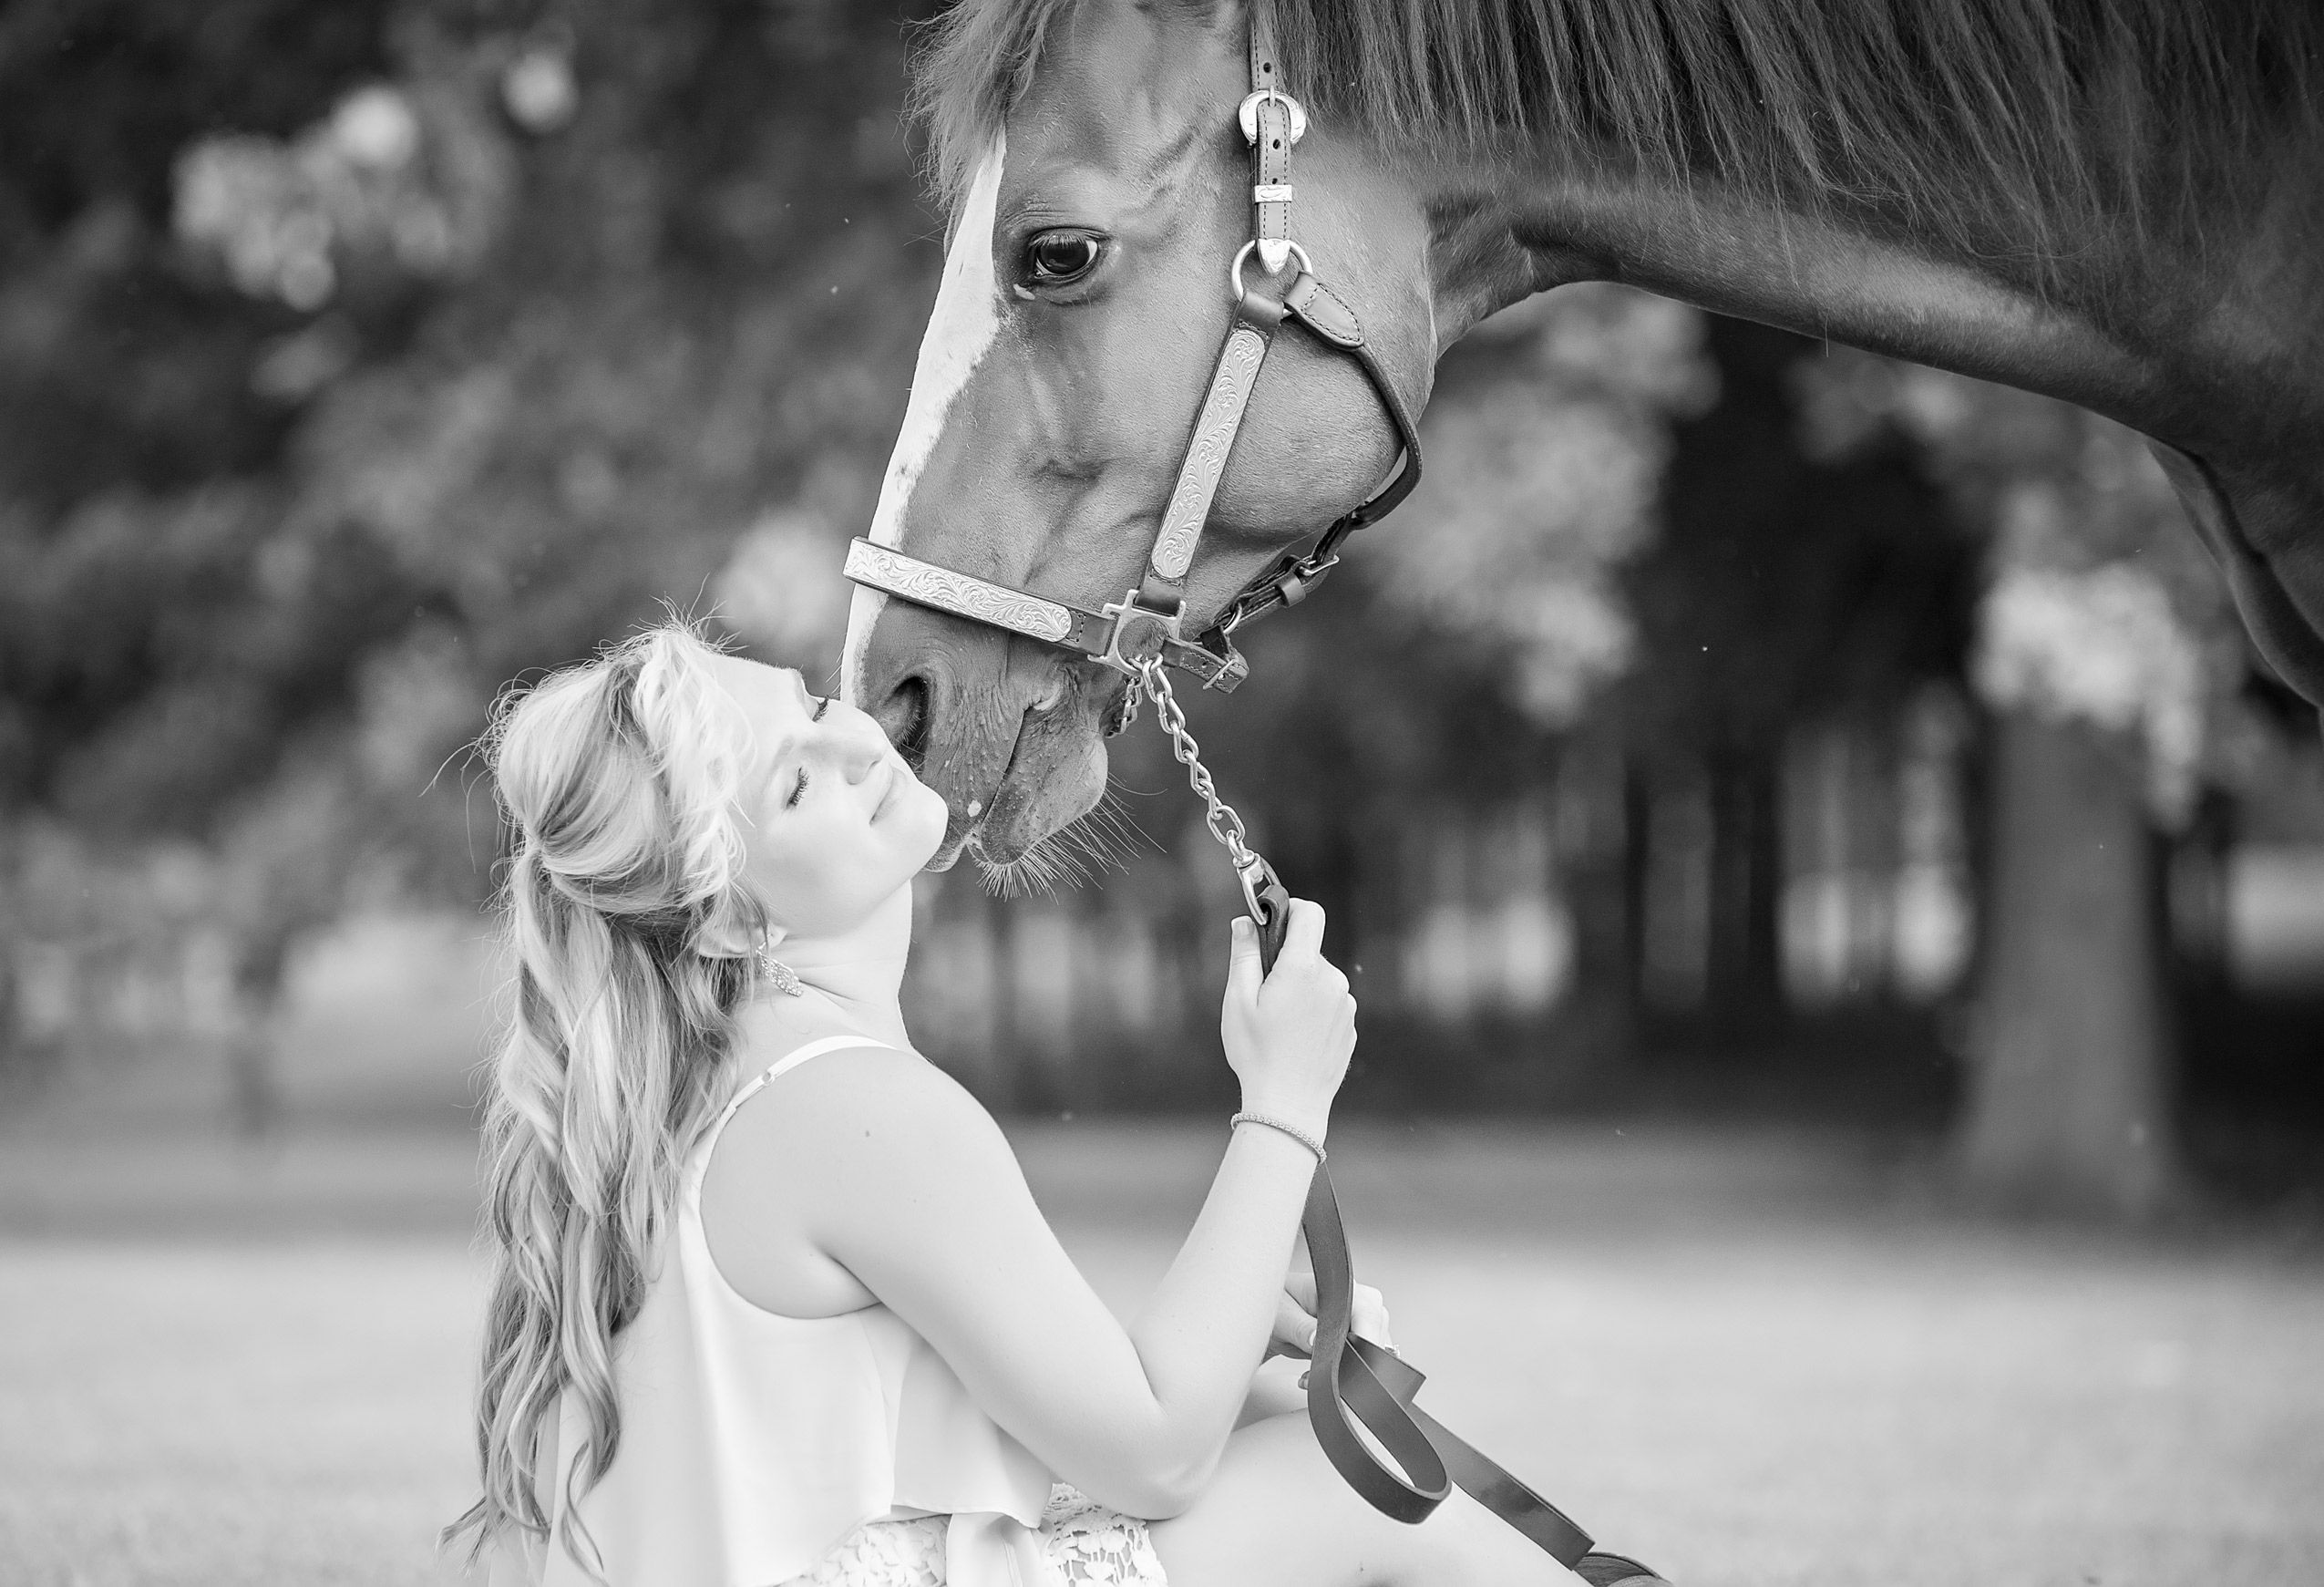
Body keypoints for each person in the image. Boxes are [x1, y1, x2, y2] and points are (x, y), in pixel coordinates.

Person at [445, 623, 1578, 1586]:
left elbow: (1029, 1429)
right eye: (796, 783)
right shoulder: (852, 1106)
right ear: (733, 921)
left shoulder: (717, 1081)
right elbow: (1156, 1456)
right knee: (1348, 1492)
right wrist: (1284, 1105)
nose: (857, 739)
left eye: (810, 704)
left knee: (1296, 1423)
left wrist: (1227, 1354)